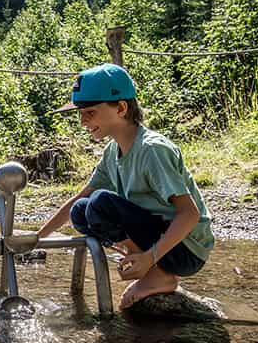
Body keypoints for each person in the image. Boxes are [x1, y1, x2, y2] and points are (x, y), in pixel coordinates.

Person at [35, 63, 214, 308]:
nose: (82, 121)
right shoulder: (112, 151)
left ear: (120, 108)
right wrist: (37, 238)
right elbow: (79, 198)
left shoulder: (152, 149)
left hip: (186, 250)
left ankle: (157, 272)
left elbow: (190, 214)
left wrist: (149, 256)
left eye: (90, 112)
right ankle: (147, 264)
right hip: (157, 236)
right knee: (81, 210)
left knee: (100, 203)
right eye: (80, 113)